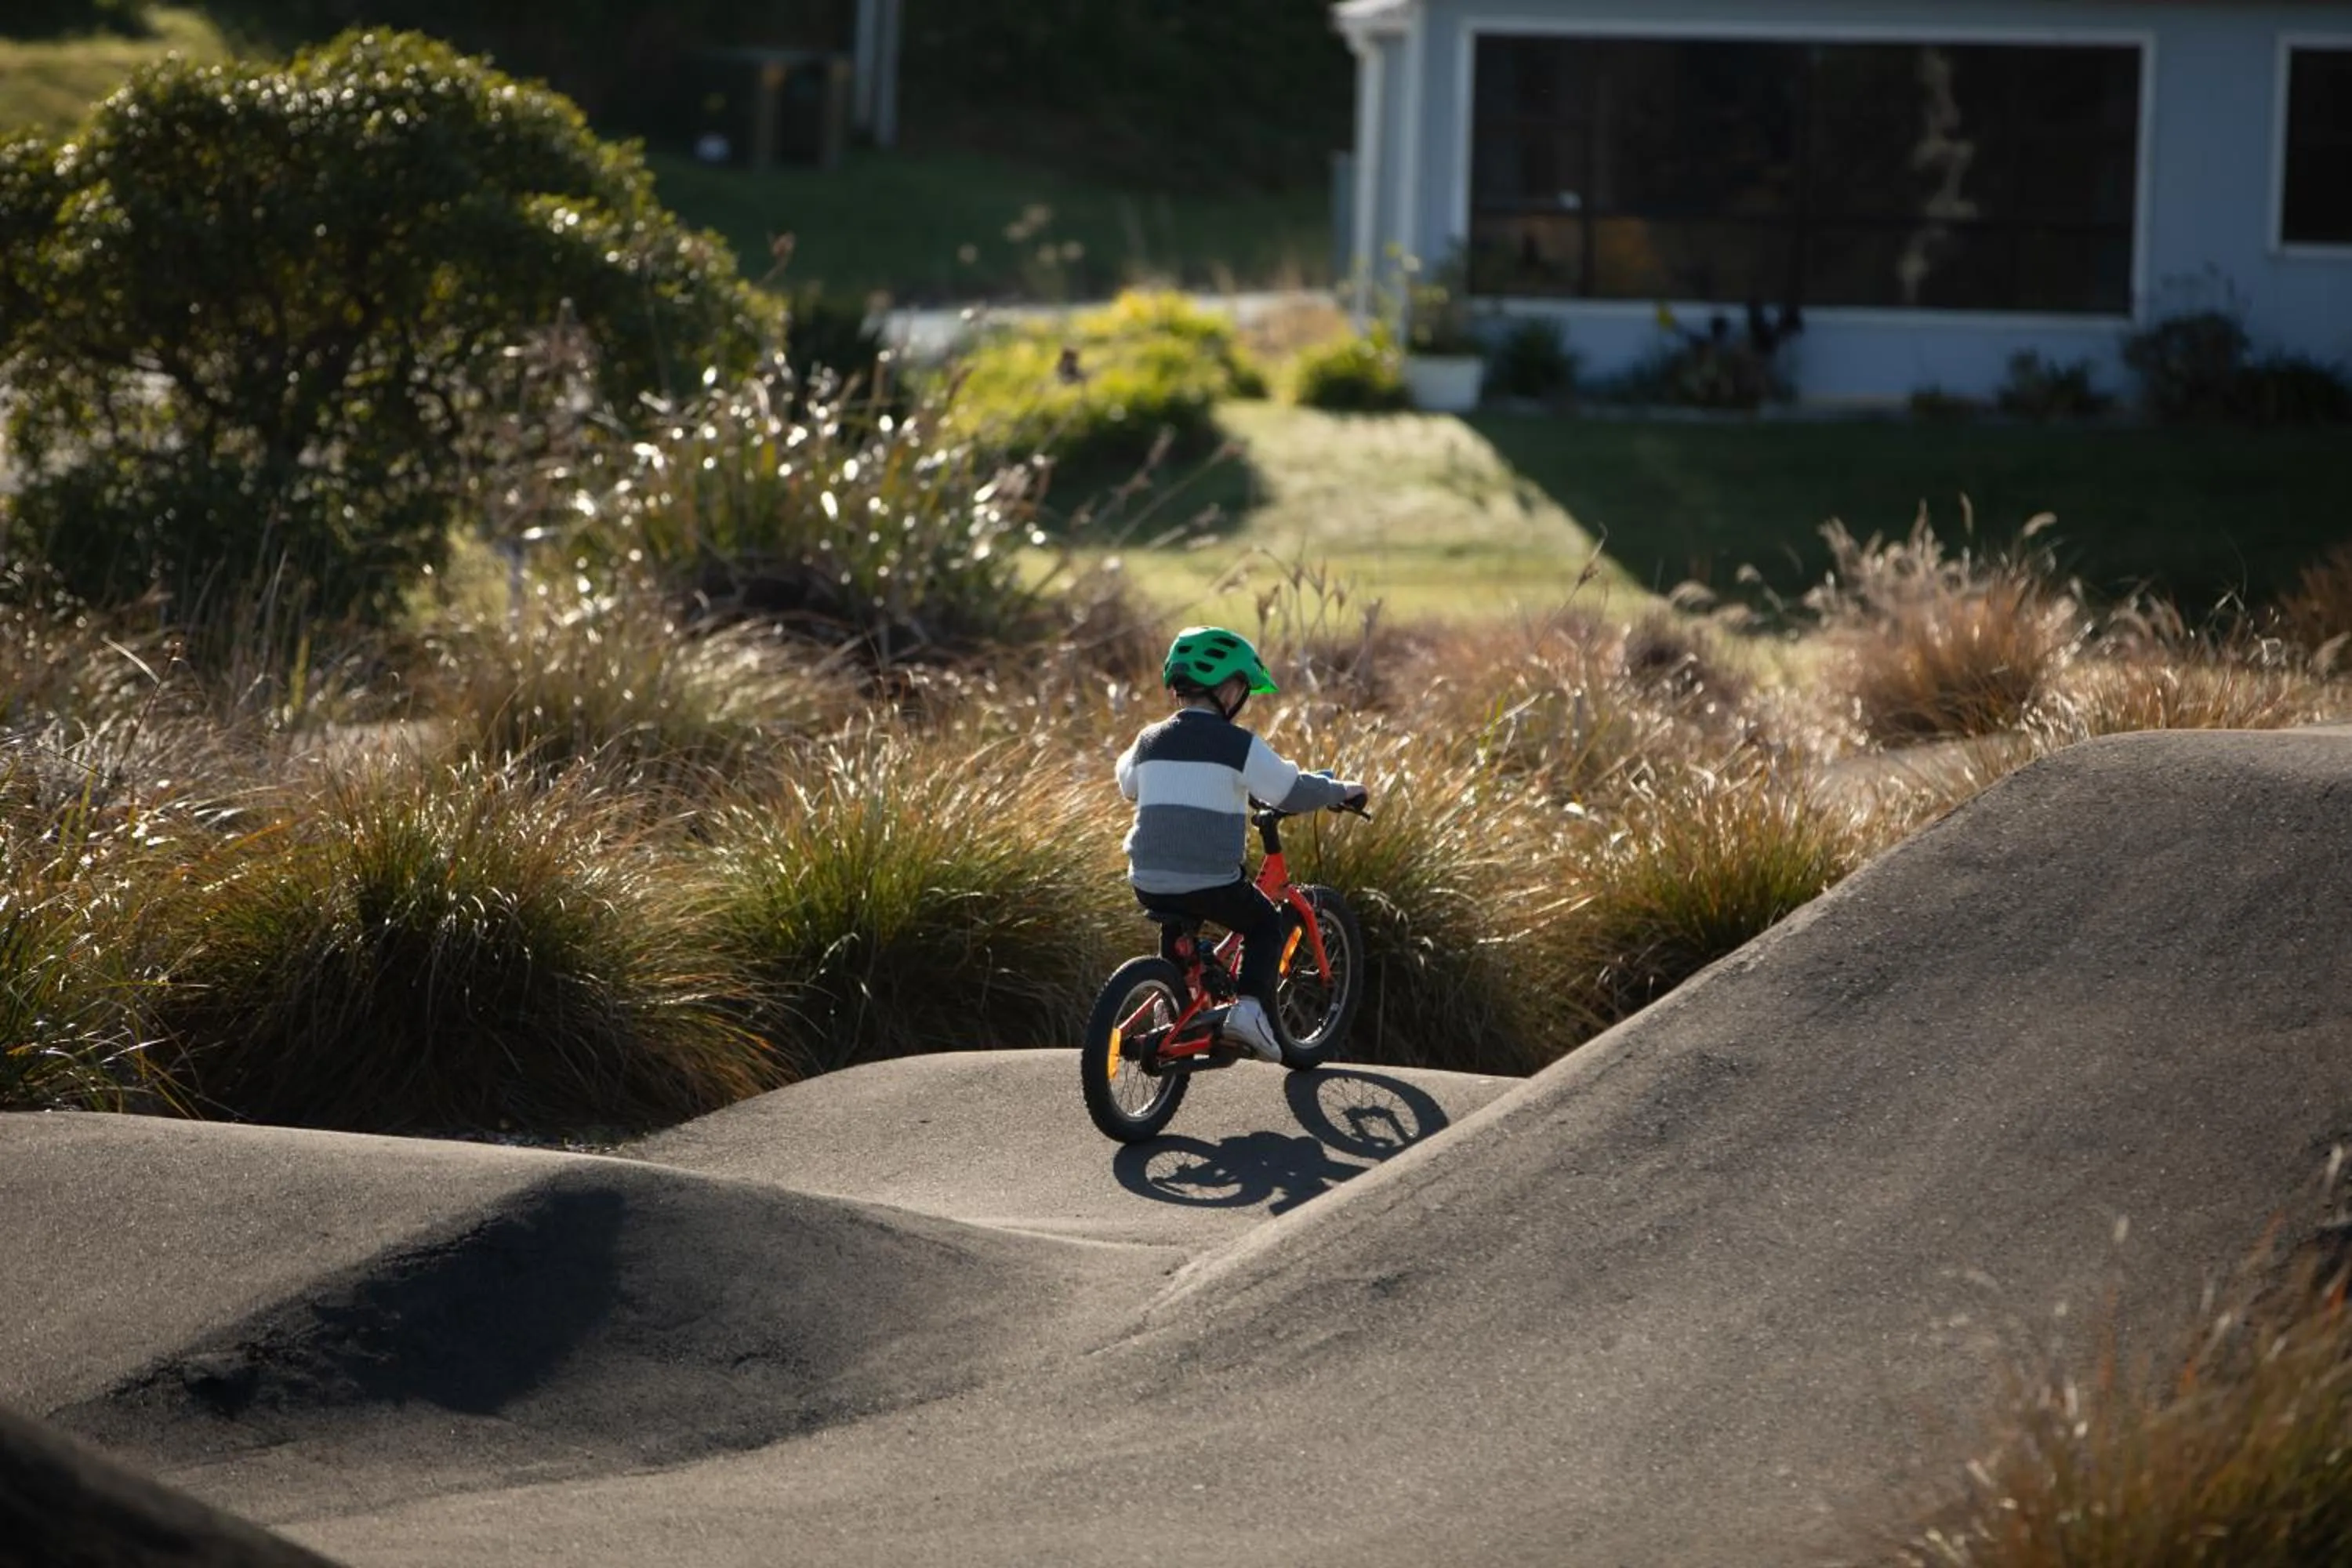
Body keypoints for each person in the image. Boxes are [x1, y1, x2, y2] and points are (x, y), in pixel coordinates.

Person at [1115, 627, 1368, 1062]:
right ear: (1229, 690)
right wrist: (1342, 790)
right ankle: (1249, 1012)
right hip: (1210, 880)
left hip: (1147, 878)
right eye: (1243, 688)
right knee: (1264, 924)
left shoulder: (1148, 740)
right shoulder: (1239, 746)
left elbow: (1128, 784)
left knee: (1178, 920)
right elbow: (1290, 790)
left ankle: (1172, 998)